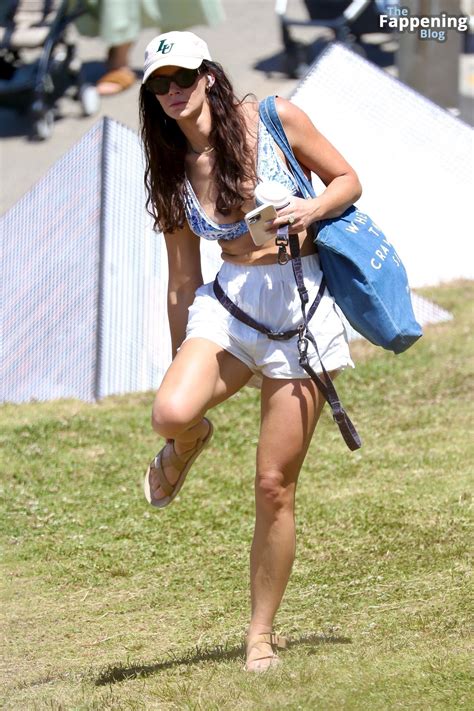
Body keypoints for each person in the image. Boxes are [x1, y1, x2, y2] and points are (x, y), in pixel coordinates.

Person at [139, 30, 361, 673]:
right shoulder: (173, 172)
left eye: (181, 76)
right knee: (170, 411)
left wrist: (311, 209)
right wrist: (184, 355)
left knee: (273, 485)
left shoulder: (274, 117)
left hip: (302, 303)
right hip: (232, 306)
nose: (172, 91)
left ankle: (260, 633)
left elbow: (348, 179)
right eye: (158, 84)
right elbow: (183, 277)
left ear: (208, 75)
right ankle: (186, 442)